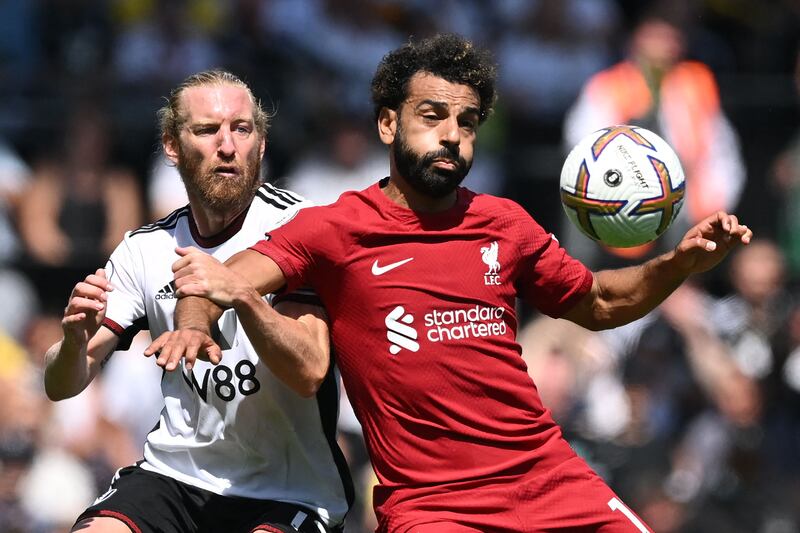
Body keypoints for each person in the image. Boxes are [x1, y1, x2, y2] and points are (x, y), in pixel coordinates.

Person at [150, 35, 751, 532]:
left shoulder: (504, 223)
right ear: (388, 124)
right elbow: (212, 279)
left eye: (467, 122)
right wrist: (193, 328)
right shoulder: (333, 230)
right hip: (434, 508)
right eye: (432, 117)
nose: (452, 136)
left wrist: (679, 263)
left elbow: (597, 301)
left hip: (550, 480)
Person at [43, 70, 353, 533]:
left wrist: (244, 295)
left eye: (242, 129)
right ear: (172, 145)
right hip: (175, 476)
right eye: (207, 130)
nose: (227, 146)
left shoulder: (301, 226)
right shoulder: (144, 247)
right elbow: (60, 385)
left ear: (262, 144)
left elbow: (309, 371)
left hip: (289, 489)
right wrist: (72, 341)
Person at [562, 11, 746, 266]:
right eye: (656, 36)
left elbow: (721, 146)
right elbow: (580, 140)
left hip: (682, 195)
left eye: (671, 37)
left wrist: (718, 191)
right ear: (636, 40)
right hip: (617, 190)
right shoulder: (610, 84)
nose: (664, 45)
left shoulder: (696, 81)